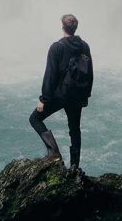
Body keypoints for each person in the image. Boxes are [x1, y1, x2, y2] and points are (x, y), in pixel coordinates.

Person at [29, 13, 93, 169]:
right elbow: (89, 73)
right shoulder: (84, 46)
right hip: (77, 94)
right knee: (74, 129)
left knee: (35, 119)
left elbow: (50, 75)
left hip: (60, 95)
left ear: (63, 27)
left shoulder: (57, 47)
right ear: (75, 28)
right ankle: (74, 167)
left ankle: (54, 153)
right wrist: (86, 95)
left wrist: (44, 99)